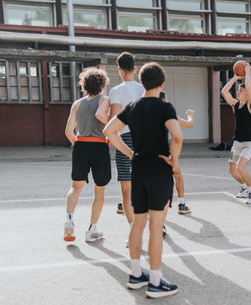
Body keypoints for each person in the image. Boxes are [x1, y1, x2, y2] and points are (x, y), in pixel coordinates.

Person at [103, 62, 182, 298]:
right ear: (162, 83)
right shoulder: (164, 107)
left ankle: (136, 274)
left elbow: (109, 130)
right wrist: (174, 161)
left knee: (138, 224)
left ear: (142, 82)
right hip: (158, 170)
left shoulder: (132, 107)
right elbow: (177, 136)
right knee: (156, 227)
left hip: (138, 168)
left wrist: (129, 153)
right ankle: (156, 282)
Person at [63, 67, 111, 242]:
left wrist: (80, 145)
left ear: (84, 85)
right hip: (100, 147)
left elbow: (68, 132)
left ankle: (69, 219)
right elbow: (108, 123)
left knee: (75, 187)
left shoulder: (77, 104)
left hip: (81, 145)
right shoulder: (105, 100)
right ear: (102, 85)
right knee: (99, 190)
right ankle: (92, 229)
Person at [108, 52, 145, 237]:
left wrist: (109, 138)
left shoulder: (115, 91)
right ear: (135, 69)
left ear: (119, 70)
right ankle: (158, 223)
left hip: (124, 138)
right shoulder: (143, 89)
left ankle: (133, 229)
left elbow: (115, 116)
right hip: (144, 138)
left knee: (126, 188)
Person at [221, 62, 251, 204]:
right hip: (237, 142)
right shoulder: (235, 105)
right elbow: (224, 92)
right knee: (232, 170)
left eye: (240, 91)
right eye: (237, 90)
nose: (237, 92)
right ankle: (244, 188)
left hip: (249, 143)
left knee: (240, 167)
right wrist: (236, 78)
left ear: (247, 95)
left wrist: (248, 73)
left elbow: (248, 87)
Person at [159, 91, 193, 214]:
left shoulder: (144, 111)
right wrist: (190, 115)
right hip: (163, 152)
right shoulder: (167, 112)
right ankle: (181, 204)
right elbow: (189, 124)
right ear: (163, 100)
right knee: (177, 175)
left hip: (146, 152)